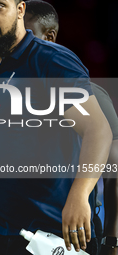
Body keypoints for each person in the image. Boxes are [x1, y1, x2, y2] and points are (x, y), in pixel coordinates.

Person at [0, 0, 112, 254]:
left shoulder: (51, 60)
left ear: (20, 10)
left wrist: (80, 195)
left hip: (56, 235)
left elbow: (97, 130)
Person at [24, 1, 118, 255]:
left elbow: (114, 174)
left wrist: (112, 241)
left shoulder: (93, 97)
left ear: (50, 37)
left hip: (71, 238)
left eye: (27, 33)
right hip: (15, 234)